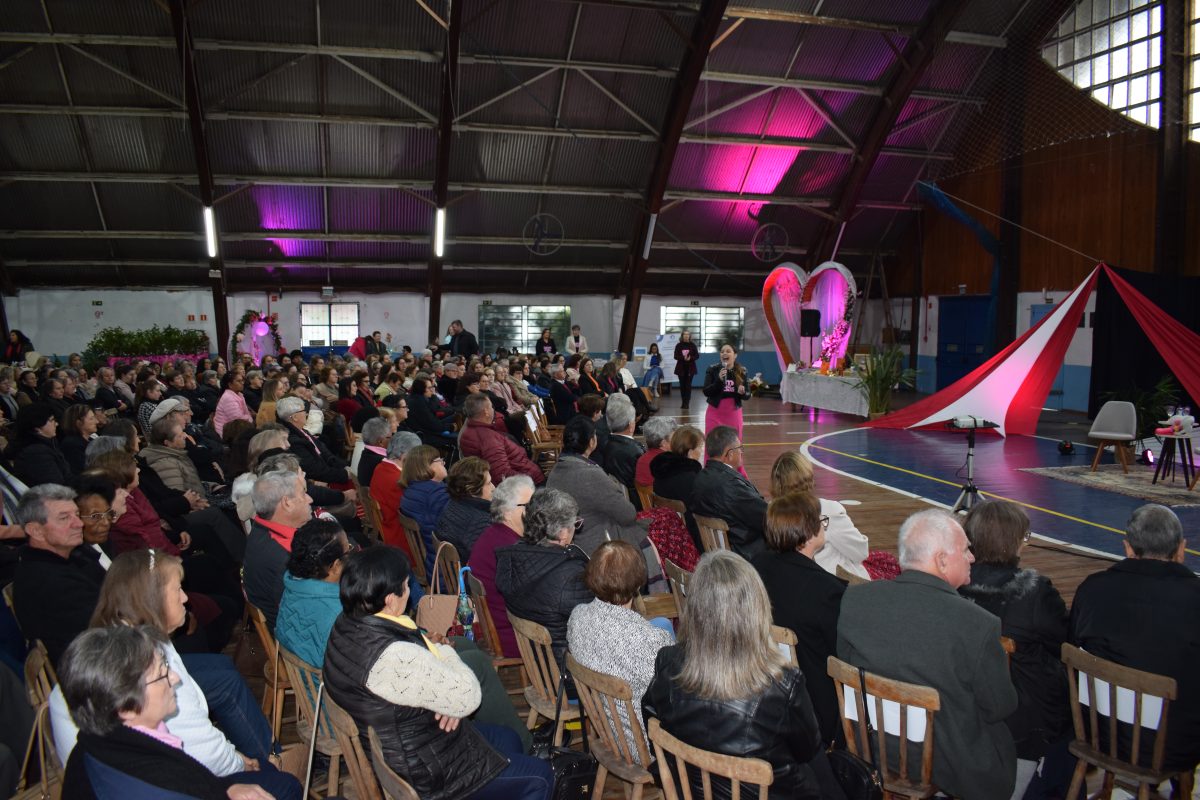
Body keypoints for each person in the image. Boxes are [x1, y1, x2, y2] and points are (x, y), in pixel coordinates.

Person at [52, 551, 298, 800]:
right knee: (283, 784)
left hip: (109, 765)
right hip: (135, 775)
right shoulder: (141, 665)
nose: (185, 598)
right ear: (152, 600)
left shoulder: (118, 639)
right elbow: (196, 750)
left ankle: (268, 754)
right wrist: (237, 763)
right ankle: (270, 759)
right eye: (177, 589)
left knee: (223, 675)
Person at [323, 546, 552, 799]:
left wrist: (442, 701)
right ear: (390, 600)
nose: (409, 592)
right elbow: (469, 696)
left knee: (508, 738)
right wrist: (443, 650)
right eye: (406, 585)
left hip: (406, 740)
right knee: (540, 776)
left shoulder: (348, 624)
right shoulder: (394, 656)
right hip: (425, 771)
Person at [837, 509, 1017, 800]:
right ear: (942, 560)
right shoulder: (977, 624)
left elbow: (847, 668)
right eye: (966, 549)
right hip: (943, 762)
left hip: (871, 745)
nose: (972, 557)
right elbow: (1000, 707)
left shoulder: (855, 600)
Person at [643, 551, 839, 799]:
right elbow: (808, 752)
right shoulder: (783, 683)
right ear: (756, 609)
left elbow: (652, 721)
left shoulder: (668, 661)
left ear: (695, 608)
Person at [58, 626, 288, 800]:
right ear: (125, 707)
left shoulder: (94, 743)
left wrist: (225, 789)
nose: (175, 678)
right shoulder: (154, 785)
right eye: (161, 674)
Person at [1069, 503, 1200, 775]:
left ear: (1128, 548)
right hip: (1174, 747)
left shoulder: (1092, 588)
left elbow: (1074, 645)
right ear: (1181, 550)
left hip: (1099, 735)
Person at [958, 500, 1070, 797]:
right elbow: (1065, 643)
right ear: (1014, 542)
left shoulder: (953, 584)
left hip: (962, 702)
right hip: (1021, 715)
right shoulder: (1034, 591)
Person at [752, 491, 846, 747]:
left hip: (766, 687)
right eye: (820, 519)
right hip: (815, 704)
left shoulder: (758, 565)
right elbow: (841, 654)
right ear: (808, 531)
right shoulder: (826, 590)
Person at [567, 540, 673, 763]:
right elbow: (674, 696)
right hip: (645, 743)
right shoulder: (649, 640)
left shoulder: (577, 616)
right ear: (637, 584)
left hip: (606, 729)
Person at [494, 487, 593, 667]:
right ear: (562, 533)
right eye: (574, 524)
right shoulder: (571, 576)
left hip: (540, 667)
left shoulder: (511, 559)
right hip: (573, 677)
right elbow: (597, 626)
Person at [12, 484, 106, 665]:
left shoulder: (65, 560)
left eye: (77, 515)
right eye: (64, 518)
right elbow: (112, 627)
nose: (79, 523)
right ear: (36, 531)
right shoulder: (50, 582)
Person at [546, 415, 649, 554]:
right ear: (592, 441)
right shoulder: (590, 474)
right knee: (664, 523)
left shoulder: (556, 471)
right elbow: (628, 515)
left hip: (572, 539)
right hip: (598, 543)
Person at [769, 451, 869, 580]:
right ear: (808, 479)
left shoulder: (771, 511)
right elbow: (860, 552)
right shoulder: (829, 510)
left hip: (789, 578)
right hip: (832, 581)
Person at [468, 475, 535, 659]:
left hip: (495, 628)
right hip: (514, 635)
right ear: (506, 512)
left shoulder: (493, 535)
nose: (535, 511)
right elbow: (532, 601)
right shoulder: (510, 549)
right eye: (528, 506)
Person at [243, 469, 314, 631]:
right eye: (303, 494)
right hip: (297, 636)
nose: (310, 499)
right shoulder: (286, 557)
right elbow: (306, 614)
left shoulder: (261, 526)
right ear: (286, 503)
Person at [688, 426, 767, 559]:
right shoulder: (731, 485)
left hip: (712, 551)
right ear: (729, 454)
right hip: (744, 552)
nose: (742, 452)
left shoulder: (700, 477)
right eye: (740, 448)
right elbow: (765, 517)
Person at [459, 393, 544, 485]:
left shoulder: (469, 431)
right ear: (486, 412)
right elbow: (502, 474)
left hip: (522, 475)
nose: (493, 410)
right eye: (491, 407)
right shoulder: (488, 439)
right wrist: (530, 478)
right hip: (526, 484)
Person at [278, 396, 352, 486]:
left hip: (327, 471)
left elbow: (325, 453)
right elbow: (314, 470)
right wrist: (344, 474)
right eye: (303, 411)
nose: (306, 413)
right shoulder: (292, 441)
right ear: (295, 417)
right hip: (320, 480)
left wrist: (344, 466)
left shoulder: (301, 430)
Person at [369, 431, 422, 557]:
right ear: (405, 457)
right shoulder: (398, 480)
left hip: (389, 529)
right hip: (403, 539)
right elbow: (415, 512)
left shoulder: (380, 468)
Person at [399, 444, 449, 577]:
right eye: (439, 460)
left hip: (429, 559)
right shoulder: (436, 494)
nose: (444, 462)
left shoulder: (411, 491)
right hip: (445, 568)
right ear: (427, 466)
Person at [434, 457, 494, 561]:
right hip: (467, 574)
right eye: (488, 484)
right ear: (471, 489)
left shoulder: (452, 505)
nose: (494, 487)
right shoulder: (482, 522)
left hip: (453, 572)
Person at [8, 402, 72, 487]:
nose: (56, 424)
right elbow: (55, 486)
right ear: (37, 427)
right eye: (52, 420)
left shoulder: (48, 443)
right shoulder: (36, 454)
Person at [602, 394, 644, 505]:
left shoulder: (605, 443)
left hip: (615, 499)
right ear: (631, 425)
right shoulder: (635, 451)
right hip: (637, 502)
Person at [702, 343, 746, 446]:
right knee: (712, 443)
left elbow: (747, 394)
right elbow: (706, 391)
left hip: (734, 412)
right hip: (715, 411)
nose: (724, 353)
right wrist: (719, 380)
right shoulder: (712, 369)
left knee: (734, 443)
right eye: (722, 352)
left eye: (728, 351)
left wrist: (743, 392)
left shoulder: (742, 371)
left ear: (735, 355)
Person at [635, 415, 676, 491]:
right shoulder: (668, 463)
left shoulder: (642, 459)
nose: (677, 440)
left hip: (647, 501)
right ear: (663, 443)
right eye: (674, 437)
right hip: (665, 501)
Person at [213, 372, 252, 437]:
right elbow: (238, 421)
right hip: (226, 433)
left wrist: (248, 416)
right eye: (239, 381)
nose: (242, 383)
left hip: (236, 429)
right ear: (230, 384)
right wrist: (249, 417)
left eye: (242, 380)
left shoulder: (238, 394)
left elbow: (245, 414)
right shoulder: (228, 398)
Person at [356, 416, 391, 487]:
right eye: (390, 437)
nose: (392, 439)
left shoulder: (366, 453)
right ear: (381, 441)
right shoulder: (383, 462)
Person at [673, 330, 699, 409]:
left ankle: (687, 403)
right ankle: (683, 402)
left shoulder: (693, 345)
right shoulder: (678, 345)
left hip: (690, 368)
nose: (686, 336)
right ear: (682, 336)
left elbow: (697, 356)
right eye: (685, 334)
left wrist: (690, 358)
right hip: (681, 368)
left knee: (688, 386)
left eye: (688, 334)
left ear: (690, 336)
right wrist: (683, 358)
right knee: (682, 386)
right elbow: (675, 356)